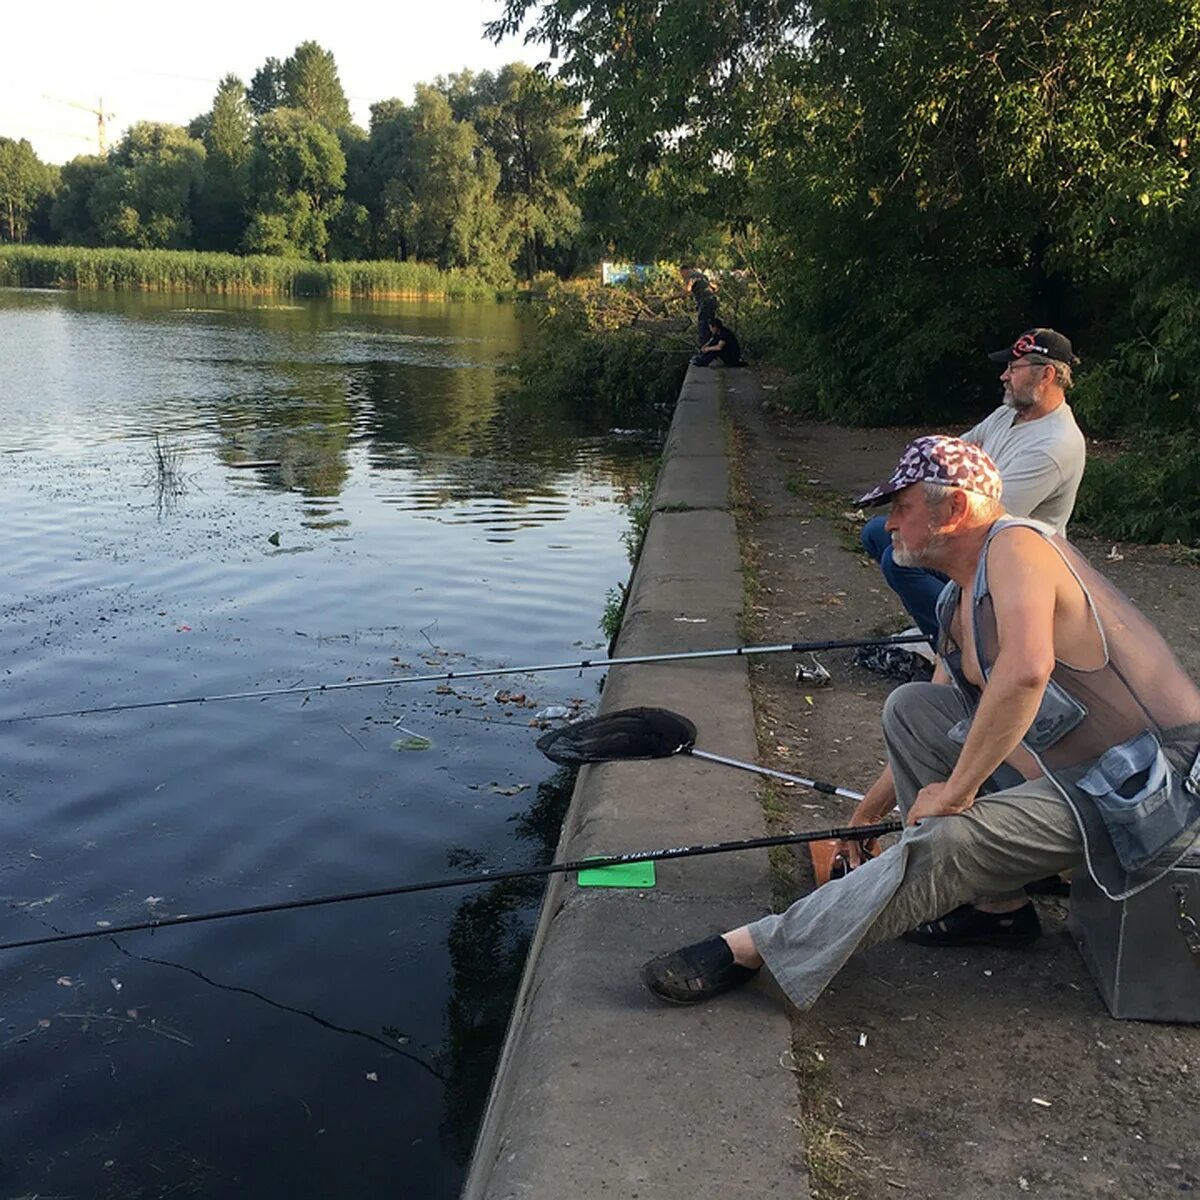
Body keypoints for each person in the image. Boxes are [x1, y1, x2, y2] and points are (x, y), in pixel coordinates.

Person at [641, 436, 1200, 1009]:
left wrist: (955, 796)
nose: (887, 526)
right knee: (910, 706)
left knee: (951, 834)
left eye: (900, 508)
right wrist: (868, 814)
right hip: (1079, 776)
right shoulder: (957, 598)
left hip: (1153, 785)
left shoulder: (1019, 546)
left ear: (955, 510)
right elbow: (950, 717)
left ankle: (757, 946)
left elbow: (1027, 672)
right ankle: (994, 908)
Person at [861, 328, 1087, 640]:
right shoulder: (1008, 415)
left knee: (900, 561)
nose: (1003, 376)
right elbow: (950, 459)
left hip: (1012, 559)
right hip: (979, 533)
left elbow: (987, 519)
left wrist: (927, 518)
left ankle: (964, 646)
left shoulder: (1055, 445)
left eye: (1013, 367)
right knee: (877, 532)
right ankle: (946, 625)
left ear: (1046, 375)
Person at [690, 277, 718, 347]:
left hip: (705, 303)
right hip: (712, 300)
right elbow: (715, 288)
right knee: (711, 323)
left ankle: (705, 346)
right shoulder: (702, 278)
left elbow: (687, 290)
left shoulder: (692, 277)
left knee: (703, 325)